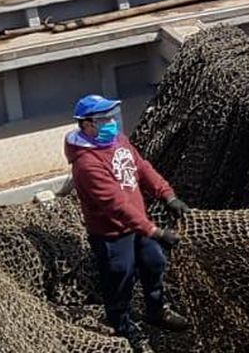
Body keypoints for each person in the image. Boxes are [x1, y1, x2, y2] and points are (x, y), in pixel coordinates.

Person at [65, 94, 191, 342]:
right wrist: (156, 232)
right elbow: (117, 206)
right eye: (104, 119)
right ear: (87, 124)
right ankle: (121, 326)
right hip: (111, 233)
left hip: (139, 225)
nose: (112, 122)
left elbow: (142, 168)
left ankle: (156, 311)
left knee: (154, 262)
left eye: (113, 116)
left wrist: (168, 195)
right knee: (120, 277)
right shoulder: (86, 164)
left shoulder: (118, 141)